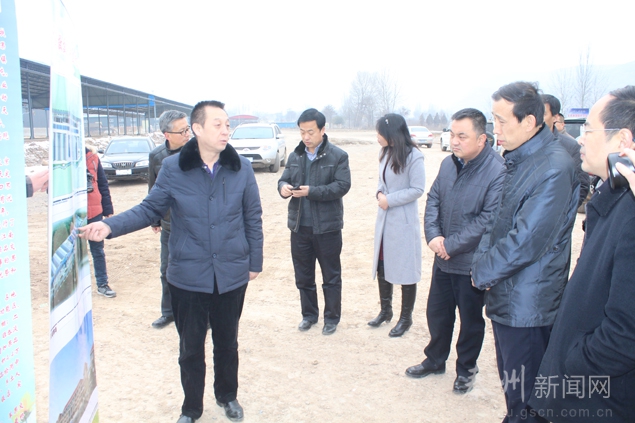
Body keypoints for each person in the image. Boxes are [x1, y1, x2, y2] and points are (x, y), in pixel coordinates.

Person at [79, 100, 263, 423]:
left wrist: (254, 262)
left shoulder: (241, 169)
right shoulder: (173, 168)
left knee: (227, 343)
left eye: (227, 125)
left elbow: (253, 217)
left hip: (231, 274)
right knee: (190, 349)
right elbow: (149, 209)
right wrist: (109, 226)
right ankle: (191, 408)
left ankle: (227, 395)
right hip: (188, 275)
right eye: (218, 124)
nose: (225, 131)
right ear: (197, 129)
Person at [471, 82, 579, 423]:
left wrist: (481, 272)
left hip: (528, 303)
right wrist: (481, 264)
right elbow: (496, 222)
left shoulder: (553, 167)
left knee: (528, 399)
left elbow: (526, 240)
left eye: (502, 121)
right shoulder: (522, 159)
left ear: (530, 122)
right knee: (515, 392)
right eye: (494, 119)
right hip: (508, 294)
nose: (496, 130)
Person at [529, 86, 635, 423]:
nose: (580, 139)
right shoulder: (613, 198)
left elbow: (625, 334)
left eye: (588, 129)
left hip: (599, 399)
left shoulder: (630, 213)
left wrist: (574, 362)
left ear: (622, 141)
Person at [405, 108, 505, 393]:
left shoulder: (497, 170)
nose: (455, 141)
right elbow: (433, 199)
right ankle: (435, 360)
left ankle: (466, 369)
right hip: (443, 258)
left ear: (482, 139)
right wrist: (434, 237)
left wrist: (450, 245)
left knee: (470, 321)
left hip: (472, 263)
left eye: (462, 136)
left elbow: (488, 219)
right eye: (452, 134)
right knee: (438, 313)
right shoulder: (449, 164)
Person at [277, 108, 351, 335]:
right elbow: (283, 179)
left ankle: (331, 318)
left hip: (327, 228)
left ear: (322, 130)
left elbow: (342, 186)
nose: (306, 137)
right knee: (303, 275)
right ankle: (309, 315)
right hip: (299, 226)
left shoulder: (338, 156)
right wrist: (283, 188)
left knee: (331, 275)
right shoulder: (295, 156)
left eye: (310, 132)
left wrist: (312, 191)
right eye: (302, 132)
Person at [368, 113, 425, 337]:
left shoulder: (414, 156)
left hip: (402, 221)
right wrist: (379, 193)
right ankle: (386, 310)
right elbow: (381, 181)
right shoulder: (385, 152)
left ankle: (405, 318)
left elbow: (417, 189)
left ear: (392, 134)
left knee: (405, 268)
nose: (377, 136)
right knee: (383, 265)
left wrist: (389, 200)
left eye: (380, 132)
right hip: (384, 220)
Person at [148, 110, 192, 329]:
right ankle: (168, 312)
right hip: (169, 226)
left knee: (197, 271)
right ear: (167, 134)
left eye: (188, 129)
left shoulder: (198, 152)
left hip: (194, 226)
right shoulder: (157, 156)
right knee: (167, 270)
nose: (187, 134)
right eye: (182, 131)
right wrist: (155, 219)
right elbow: (153, 189)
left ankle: (204, 314)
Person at [543, 94, 590, 208]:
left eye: (543, 114)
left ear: (555, 117)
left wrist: (564, 213)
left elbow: (582, 186)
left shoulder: (570, 147)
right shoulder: (522, 145)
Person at [85, 147, 116, 297]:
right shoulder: (61, 158)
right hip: (72, 214)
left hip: (94, 212)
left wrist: (107, 209)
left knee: (97, 250)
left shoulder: (93, 157)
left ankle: (102, 284)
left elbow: (103, 184)